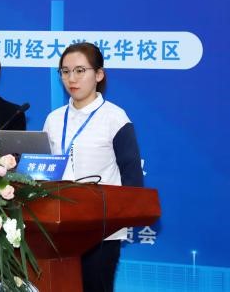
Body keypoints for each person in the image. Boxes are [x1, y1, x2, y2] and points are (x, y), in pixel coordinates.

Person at [42, 42, 143, 292]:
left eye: (80, 71)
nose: (71, 78)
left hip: (101, 231)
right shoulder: (54, 119)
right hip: (58, 227)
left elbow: (132, 178)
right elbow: (43, 170)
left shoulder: (115, 118)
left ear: (99, 74)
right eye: (65, 72)